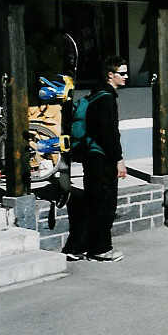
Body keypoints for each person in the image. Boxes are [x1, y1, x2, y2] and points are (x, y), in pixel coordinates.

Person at [62, 56, 129, 262]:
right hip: (102, 159)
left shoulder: (95, 95)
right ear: (111, 75)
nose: (126, 77)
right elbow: (109, 134)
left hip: (91, 157)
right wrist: (118, 159)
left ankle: (77, 248)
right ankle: (101, 249)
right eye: (122, 73)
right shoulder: (107, 99)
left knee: (92, 203)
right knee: (105, 205)